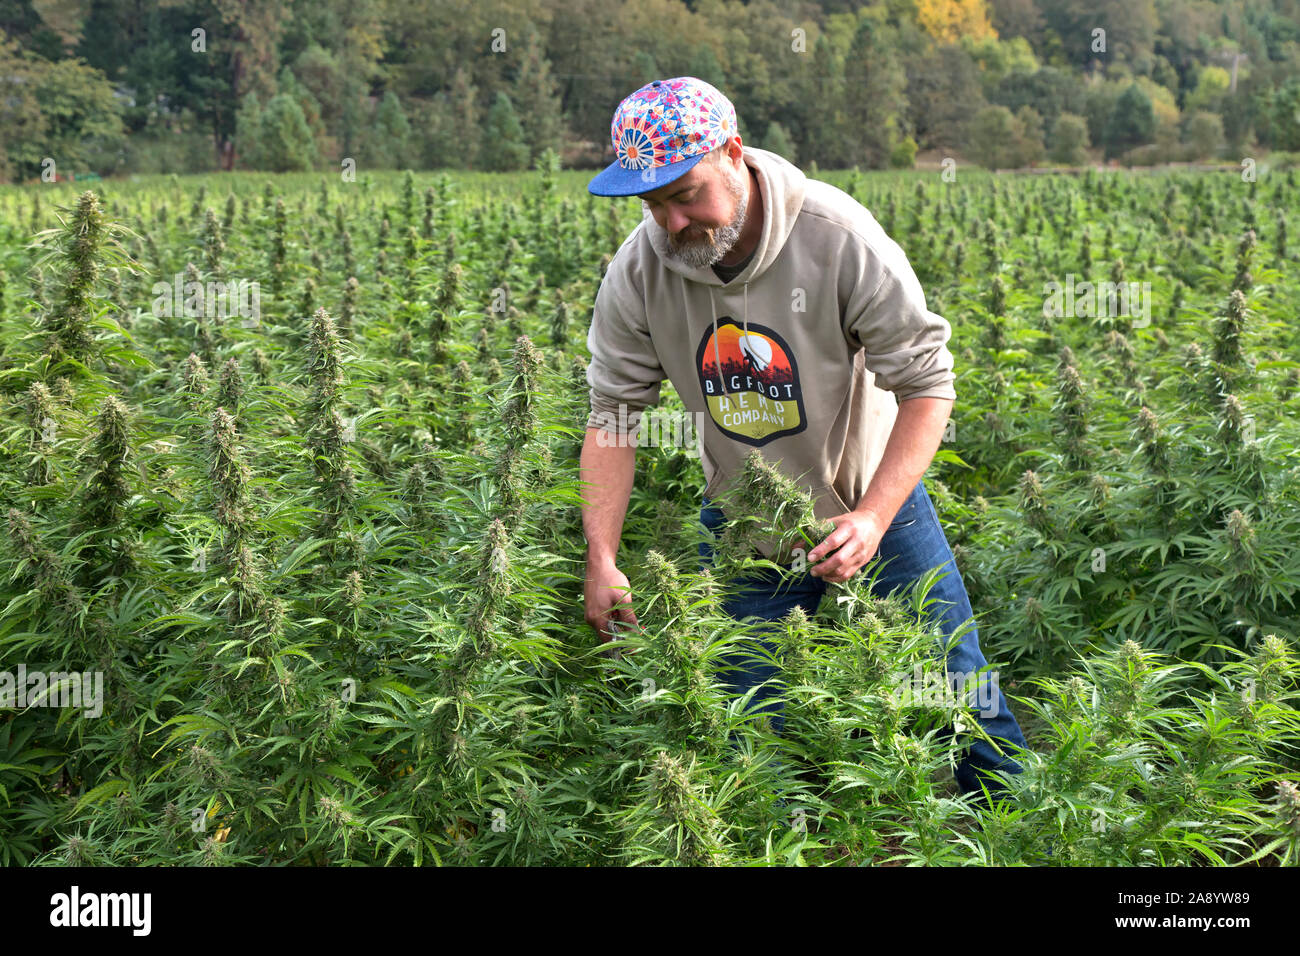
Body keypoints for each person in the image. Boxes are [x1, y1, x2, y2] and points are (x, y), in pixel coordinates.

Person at [579, 76, 1028, 803]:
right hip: (742, 526)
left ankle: (1023, 832)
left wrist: (874, 517)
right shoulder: (640, 270)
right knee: (747, 729)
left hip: (870, 510)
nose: (669, 222)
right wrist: (601, 558)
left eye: (685, 193)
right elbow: (614, 418)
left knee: (962, 695)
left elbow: (928, 386)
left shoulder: (837, 237)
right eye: (652, 203)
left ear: (733, 153)